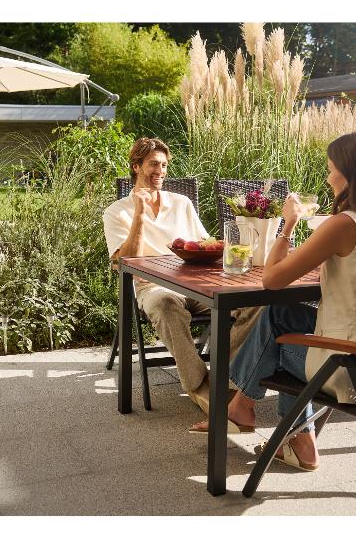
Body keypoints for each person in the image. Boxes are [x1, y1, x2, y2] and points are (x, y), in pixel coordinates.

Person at [189, 130, 356, 471]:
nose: (328, 176)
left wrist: (287, 225)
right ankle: (285, 434)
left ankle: (243, 410)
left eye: (332, 168)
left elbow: (272, 279)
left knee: (277, 333)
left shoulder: (343, 225)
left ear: (353, 175)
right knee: (284, 314)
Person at [103, 137, 260, 416]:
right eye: (153, 164)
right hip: (153, 286)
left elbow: (203, 243)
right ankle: (200, 387)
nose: (160, 171)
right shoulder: (117, 212)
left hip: (195, 283)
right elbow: (124, 261)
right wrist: (139, 213)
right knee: (166, 306)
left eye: (164, 165)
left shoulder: (182, 203)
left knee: (255, 303)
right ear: (136, 167)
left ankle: (224, 378)